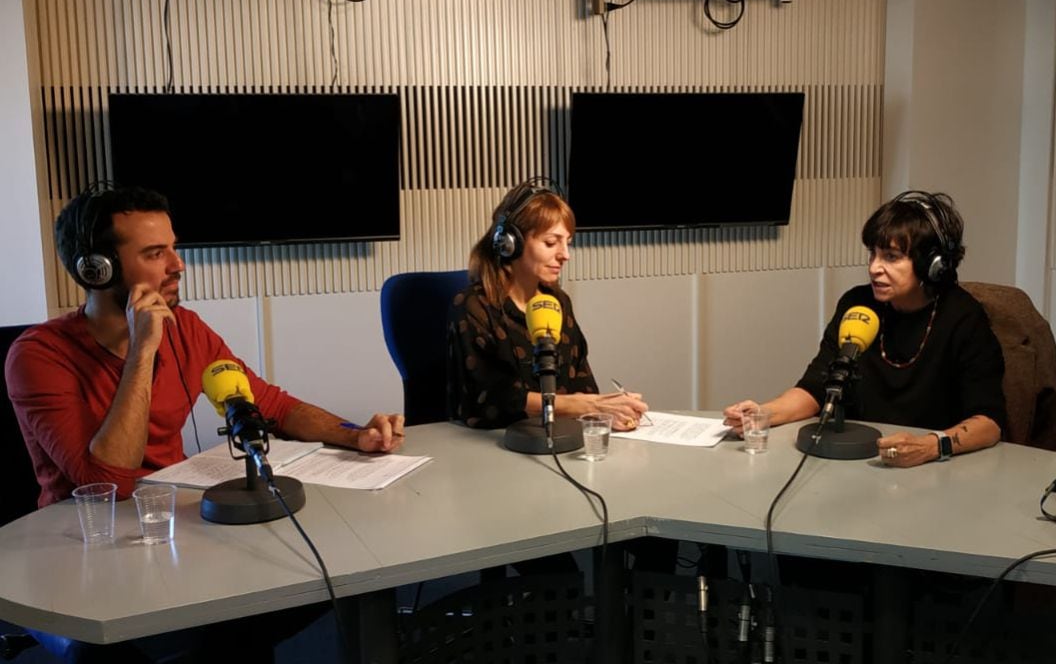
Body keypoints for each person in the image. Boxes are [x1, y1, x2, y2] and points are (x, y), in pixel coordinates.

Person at [4, 184, 404, 662]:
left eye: (173, 248)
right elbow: (109, 480)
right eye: (155, 254)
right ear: (97, 269)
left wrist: (354, 433)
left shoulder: (186, 328)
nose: (178, 266)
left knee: (299, 595)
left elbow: (269, 403)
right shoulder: (38, 356)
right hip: (81, 552)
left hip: (171, 532)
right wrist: (142, 349)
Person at [723, 190, 1006, 467]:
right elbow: (816, 389)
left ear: (933, 265)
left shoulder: (963, 317)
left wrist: (931, 446)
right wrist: (762, 414)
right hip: (860, 462)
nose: (874, 267)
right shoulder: (857, 305)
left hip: (933, 469)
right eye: (873, 254)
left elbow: (989, 422)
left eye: (891, 257)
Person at [447, 178, 649, 431]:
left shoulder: (557, 303)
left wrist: (611, 408)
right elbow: (491, 401)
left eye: (568, 243)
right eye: (551, 243)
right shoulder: (472, 306)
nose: (565, 255)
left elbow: (583, 387)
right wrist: (586, 406)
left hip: (560, 441)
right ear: (510, 243)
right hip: (490, 448)